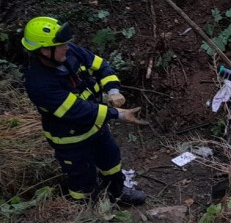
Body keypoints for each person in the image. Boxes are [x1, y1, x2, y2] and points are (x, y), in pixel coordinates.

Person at [21, 16, 148, 205]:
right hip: (70, 140)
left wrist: (113, 90)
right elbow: (76, 110)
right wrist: (119, 114)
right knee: (82, 179)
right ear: (45, 51)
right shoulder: (39, 83)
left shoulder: (69, 52)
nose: (67, 47)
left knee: (111, 159)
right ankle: (87, 212)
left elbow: (100, 65)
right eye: (61, 44)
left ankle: (118, 193)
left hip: (96, 127)